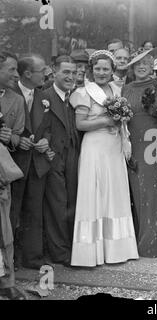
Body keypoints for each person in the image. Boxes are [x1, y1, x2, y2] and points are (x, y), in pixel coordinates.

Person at [70, 50, 138, 267]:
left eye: (105, 69)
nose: (101, 72)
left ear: (112, 71)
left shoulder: (117, 90)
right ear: (92, 70)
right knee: (96, 193)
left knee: (115, 193)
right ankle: (92, 252)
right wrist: (106, 121)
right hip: (95, 147)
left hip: (114, 147)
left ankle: (118, 249)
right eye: (97, 69)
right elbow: (80, 124)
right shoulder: (84, 92)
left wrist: (118, 121)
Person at [122, 49, 157, 258]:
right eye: (137, 64)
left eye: (146, 64)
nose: (141, 67)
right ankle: (138, 238)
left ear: (152, 66)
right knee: (136, 191)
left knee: (153, 190)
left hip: (153, 140)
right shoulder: (126, 88)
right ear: (132, 68)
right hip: (132, 141)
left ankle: (152, 243)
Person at [12, 53, 53, 269]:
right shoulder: (10, 94)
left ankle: (33, 258)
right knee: (11, 212)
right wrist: (16, 140)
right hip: (14, 163)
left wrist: (46, 140)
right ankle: (8, 259)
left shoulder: (42, 96)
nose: (47, 73)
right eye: (42, 70)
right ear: (28, 74)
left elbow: (48, 128)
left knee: (34, 211)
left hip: (36, 164)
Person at [42, 55, 81, 266]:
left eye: (74, 73)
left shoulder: (75, 97)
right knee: (57, 204)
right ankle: (60, 253)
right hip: (54, 157)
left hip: (74, 155)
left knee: (73, 202)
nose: (71, 77)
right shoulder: (44, 96)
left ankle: (74, 248)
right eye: (66, 72)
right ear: (53, 71)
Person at [0, 50, 26, 299]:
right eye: (11, 70)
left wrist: (10, 138)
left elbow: (18, 136)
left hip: (1, 175)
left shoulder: (16, 100)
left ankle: (7, 282)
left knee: (4, 229)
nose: (16, 74)